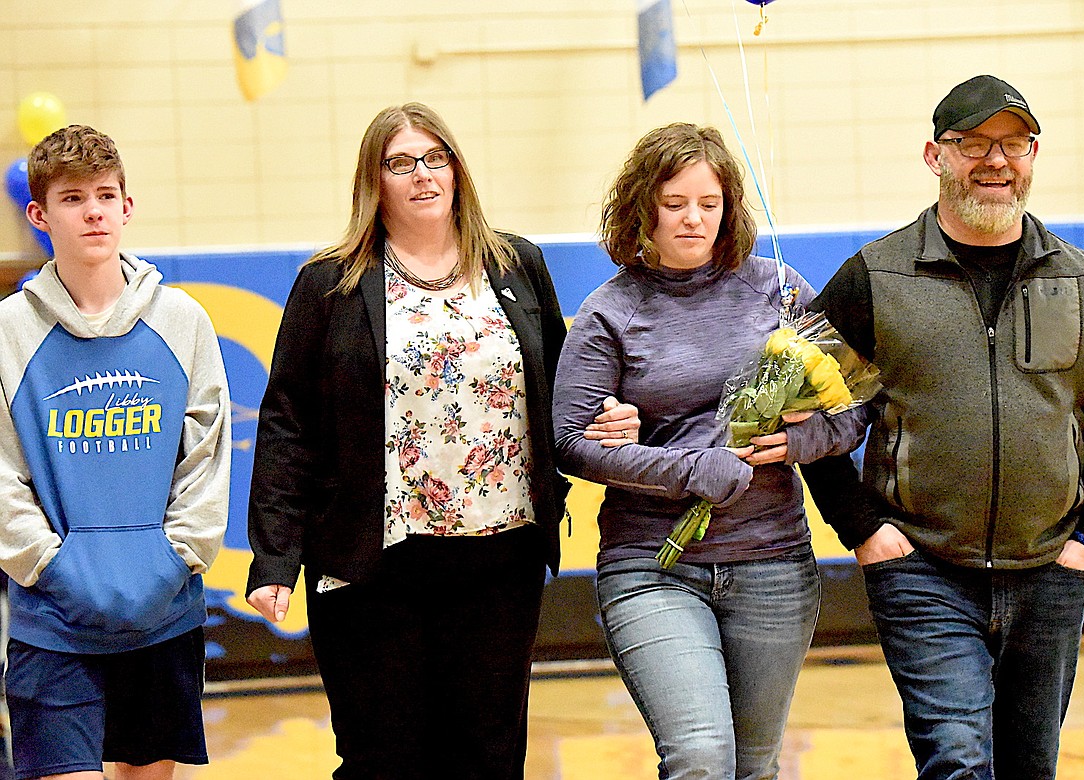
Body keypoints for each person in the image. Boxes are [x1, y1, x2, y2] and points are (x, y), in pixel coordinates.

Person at [244, 102, 639, 780]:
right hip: (371, 562)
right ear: (376, 181)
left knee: (487, 758)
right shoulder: (329, 284)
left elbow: (560, 384)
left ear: (457, 170)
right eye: (401, 163)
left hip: (498, 559)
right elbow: (288, 424)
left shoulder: (517, 265)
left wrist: (608, 420)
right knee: (382, 758)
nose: (422, 175)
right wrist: (275, 557)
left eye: (436, 158)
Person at [807, 75, 1084, 779]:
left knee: (1030, 768)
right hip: (922, 569)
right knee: (957, 761)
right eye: (974, 144)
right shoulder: (873, 276)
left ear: (1033, 154)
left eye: (1014, 143)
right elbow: (804, 410)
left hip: (1052, 571)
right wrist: (865, 531)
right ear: (936, 156)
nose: (997, 161)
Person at [552, 123, 868, 779]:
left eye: (709, 203)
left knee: (754, 766)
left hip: (772, 565)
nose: (694, 219)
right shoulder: (610, 311)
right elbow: (571, 442)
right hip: (652, 567)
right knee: (699, 757)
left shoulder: (777, 289)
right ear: (643, 206)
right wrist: (689, 468)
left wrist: (798, 440)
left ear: (729, 209)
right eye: (675, 204)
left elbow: (852, 410)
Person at [0, 125, 232, 780]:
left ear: (128, 207)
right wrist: (51, 567)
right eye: (74, 198)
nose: (95, 211)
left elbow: (206, 459)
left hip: (163, 617)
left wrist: (174, 559)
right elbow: (2, 476)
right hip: (52, 621)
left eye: (107, 195)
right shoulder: (8, 333)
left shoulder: (182, 320)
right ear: (40, 214)